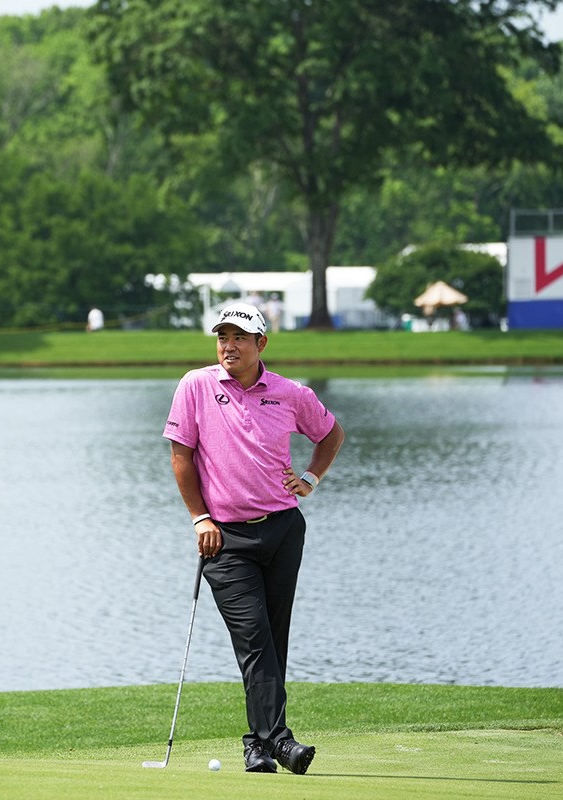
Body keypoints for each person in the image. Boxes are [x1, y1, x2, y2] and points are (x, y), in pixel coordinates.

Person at [163, 301, 344, 775]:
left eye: (240, 337)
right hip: (224, 540)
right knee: (255, 638)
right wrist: (199, 517)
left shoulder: (289, 393)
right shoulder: (196, 386)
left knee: (272, 638)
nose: (229, 345)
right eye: (223, 336)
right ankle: (281, 743)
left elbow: (331, 434)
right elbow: (181, 456)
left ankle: (256, 746)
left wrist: (310, 479)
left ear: (261, 343)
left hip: (283, 530)